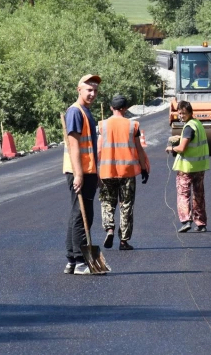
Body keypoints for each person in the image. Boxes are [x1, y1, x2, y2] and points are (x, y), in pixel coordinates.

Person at [97, 94, 150, 251]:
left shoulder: (103, 125)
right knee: (126, 205)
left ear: (111, 108)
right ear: (125, 108)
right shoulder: (132, 125)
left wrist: (95, 170)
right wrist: (144, 167)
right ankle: (124, 241)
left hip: (106, 172)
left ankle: (109, 229)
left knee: (107, 202)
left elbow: (99, 149)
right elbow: (139, 148)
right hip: (127, 172)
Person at [62, 74, 102, 275]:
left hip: (88, 171)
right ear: (79, 90)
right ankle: (79, 260)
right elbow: (74, 145)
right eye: (89, 89)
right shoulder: (75, 112)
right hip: (80, 172)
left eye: (95, 90)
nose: (92, 93)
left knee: (79, 213)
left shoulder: (86, 112)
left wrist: (97, 173)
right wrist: (79, 174)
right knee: (81, 214)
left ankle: (71, 259)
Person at [165, 100, 209, 233]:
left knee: (183, 194)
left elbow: (182, 148)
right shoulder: (197, 124)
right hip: (199, 167)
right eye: (179, 113)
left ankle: (186, 221)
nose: (181, 116)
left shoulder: (189, 127)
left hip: (186, 168)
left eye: (183, 113)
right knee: (199, 194)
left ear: (190, 112)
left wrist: (171, 148)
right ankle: (201, 223)